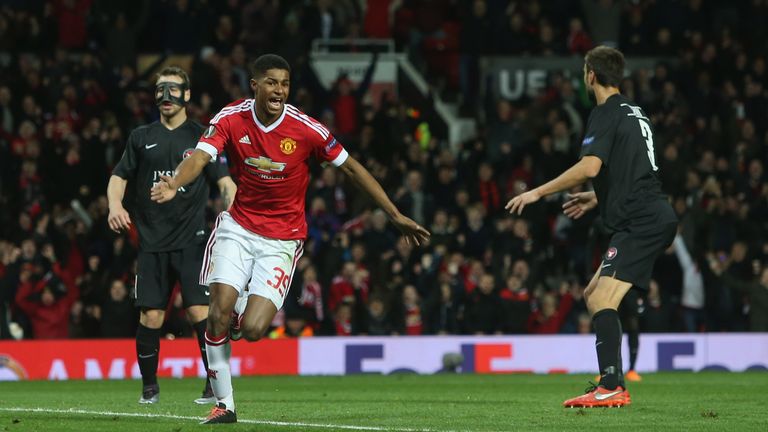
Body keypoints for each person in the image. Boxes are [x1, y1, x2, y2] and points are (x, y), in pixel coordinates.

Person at [150, 54, 430, 424]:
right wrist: (175, 182)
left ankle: (238, 317)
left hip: (282, 239)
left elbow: (351, 168)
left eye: (284, 83)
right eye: (271, 82)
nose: (279, 90)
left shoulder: (306, 129)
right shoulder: (231, 118)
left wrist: (394, 215)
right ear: (255, 85)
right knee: (216, 313)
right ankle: (225, 404)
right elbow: (200, 158)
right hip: (239, 227)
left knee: (251, 330)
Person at [506, 46, 677, 408]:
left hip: (641, 220)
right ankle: (609, 379)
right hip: (647, 212)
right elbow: (634, 173)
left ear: (591, 76)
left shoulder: (604, 112)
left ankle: (612, 385)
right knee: (592, 292)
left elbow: (589, 167)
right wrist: (596, 198)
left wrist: (538, 192)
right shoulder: (635, 112)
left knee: (602, 298)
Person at [107, 66, 237, 405]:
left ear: (187, 95)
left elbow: (225, 183)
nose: (167, 96)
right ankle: (149, 388)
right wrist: (114, 205)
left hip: (193, 240)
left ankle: (214, 385)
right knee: (150, 316)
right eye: (161, 89)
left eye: (174, 89)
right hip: (150, 243)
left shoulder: (202, 137)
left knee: (200, 313)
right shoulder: (140, 136)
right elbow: (119, 176)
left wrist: (236, 215)